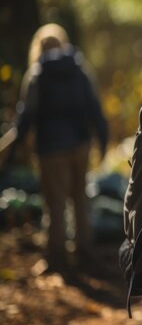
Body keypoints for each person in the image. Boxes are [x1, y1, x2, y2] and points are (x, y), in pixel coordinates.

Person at [4, 23, 108, 274]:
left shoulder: (37, 74)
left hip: (50, 149)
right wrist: (102, 139)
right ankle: (84, 252)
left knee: (55, 203)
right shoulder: (80, 69)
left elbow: (26, 115)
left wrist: (12, 149)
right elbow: (94, 107)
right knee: (81, 199)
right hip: (81, 145)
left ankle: (57, 257)